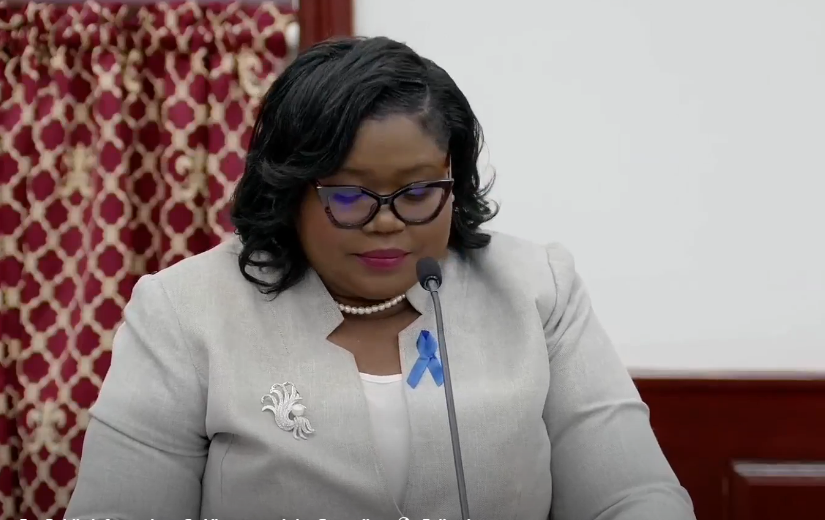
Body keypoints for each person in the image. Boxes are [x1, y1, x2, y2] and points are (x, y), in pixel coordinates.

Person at [66, 36, 695, 520]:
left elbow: (632, 496)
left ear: (454, 183)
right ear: (290, 191)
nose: (387, 222)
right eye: (349, 196)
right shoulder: (184, 311)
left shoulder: (538, 289)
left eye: (418, 193)